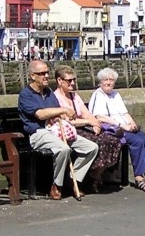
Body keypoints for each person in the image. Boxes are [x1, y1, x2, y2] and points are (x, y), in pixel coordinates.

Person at [18, 59, 98, 201]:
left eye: (47, 73)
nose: (46, 76)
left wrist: (63, 116)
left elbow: (56, 114)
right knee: (63, 149)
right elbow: (40, 114)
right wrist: (64, 110)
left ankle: (73, 179)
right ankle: (57, 185)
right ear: (32, 76)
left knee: (91, 148)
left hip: (55, 129)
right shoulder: (26, 95)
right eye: (42, 73)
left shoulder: (48, 92)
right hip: (38, 133)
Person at [89, 67, 145, 193]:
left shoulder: (116, 94)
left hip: (125, 127)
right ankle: (139, 177)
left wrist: (132, 124)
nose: (109, 82)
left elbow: (125, 113)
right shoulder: (98, 95)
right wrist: (123, 125)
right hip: (112, 130)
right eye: (106, 80)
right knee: (137, 141)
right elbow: (100, 116)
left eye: (111, 80)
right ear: (100, 82)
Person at [52, 64, 122, 192]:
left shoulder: (74, 96)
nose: (72, 83)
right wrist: (88, 121)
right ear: (59, 81)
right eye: (69, 80)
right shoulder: (55, 98)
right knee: (99, 143)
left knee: (112, 141)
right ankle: (86, 179)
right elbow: (67, 121)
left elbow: (87, 113)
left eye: (74, 80)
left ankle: (94, 174)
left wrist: (95, 123)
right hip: (70, 131)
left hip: (83, 127)